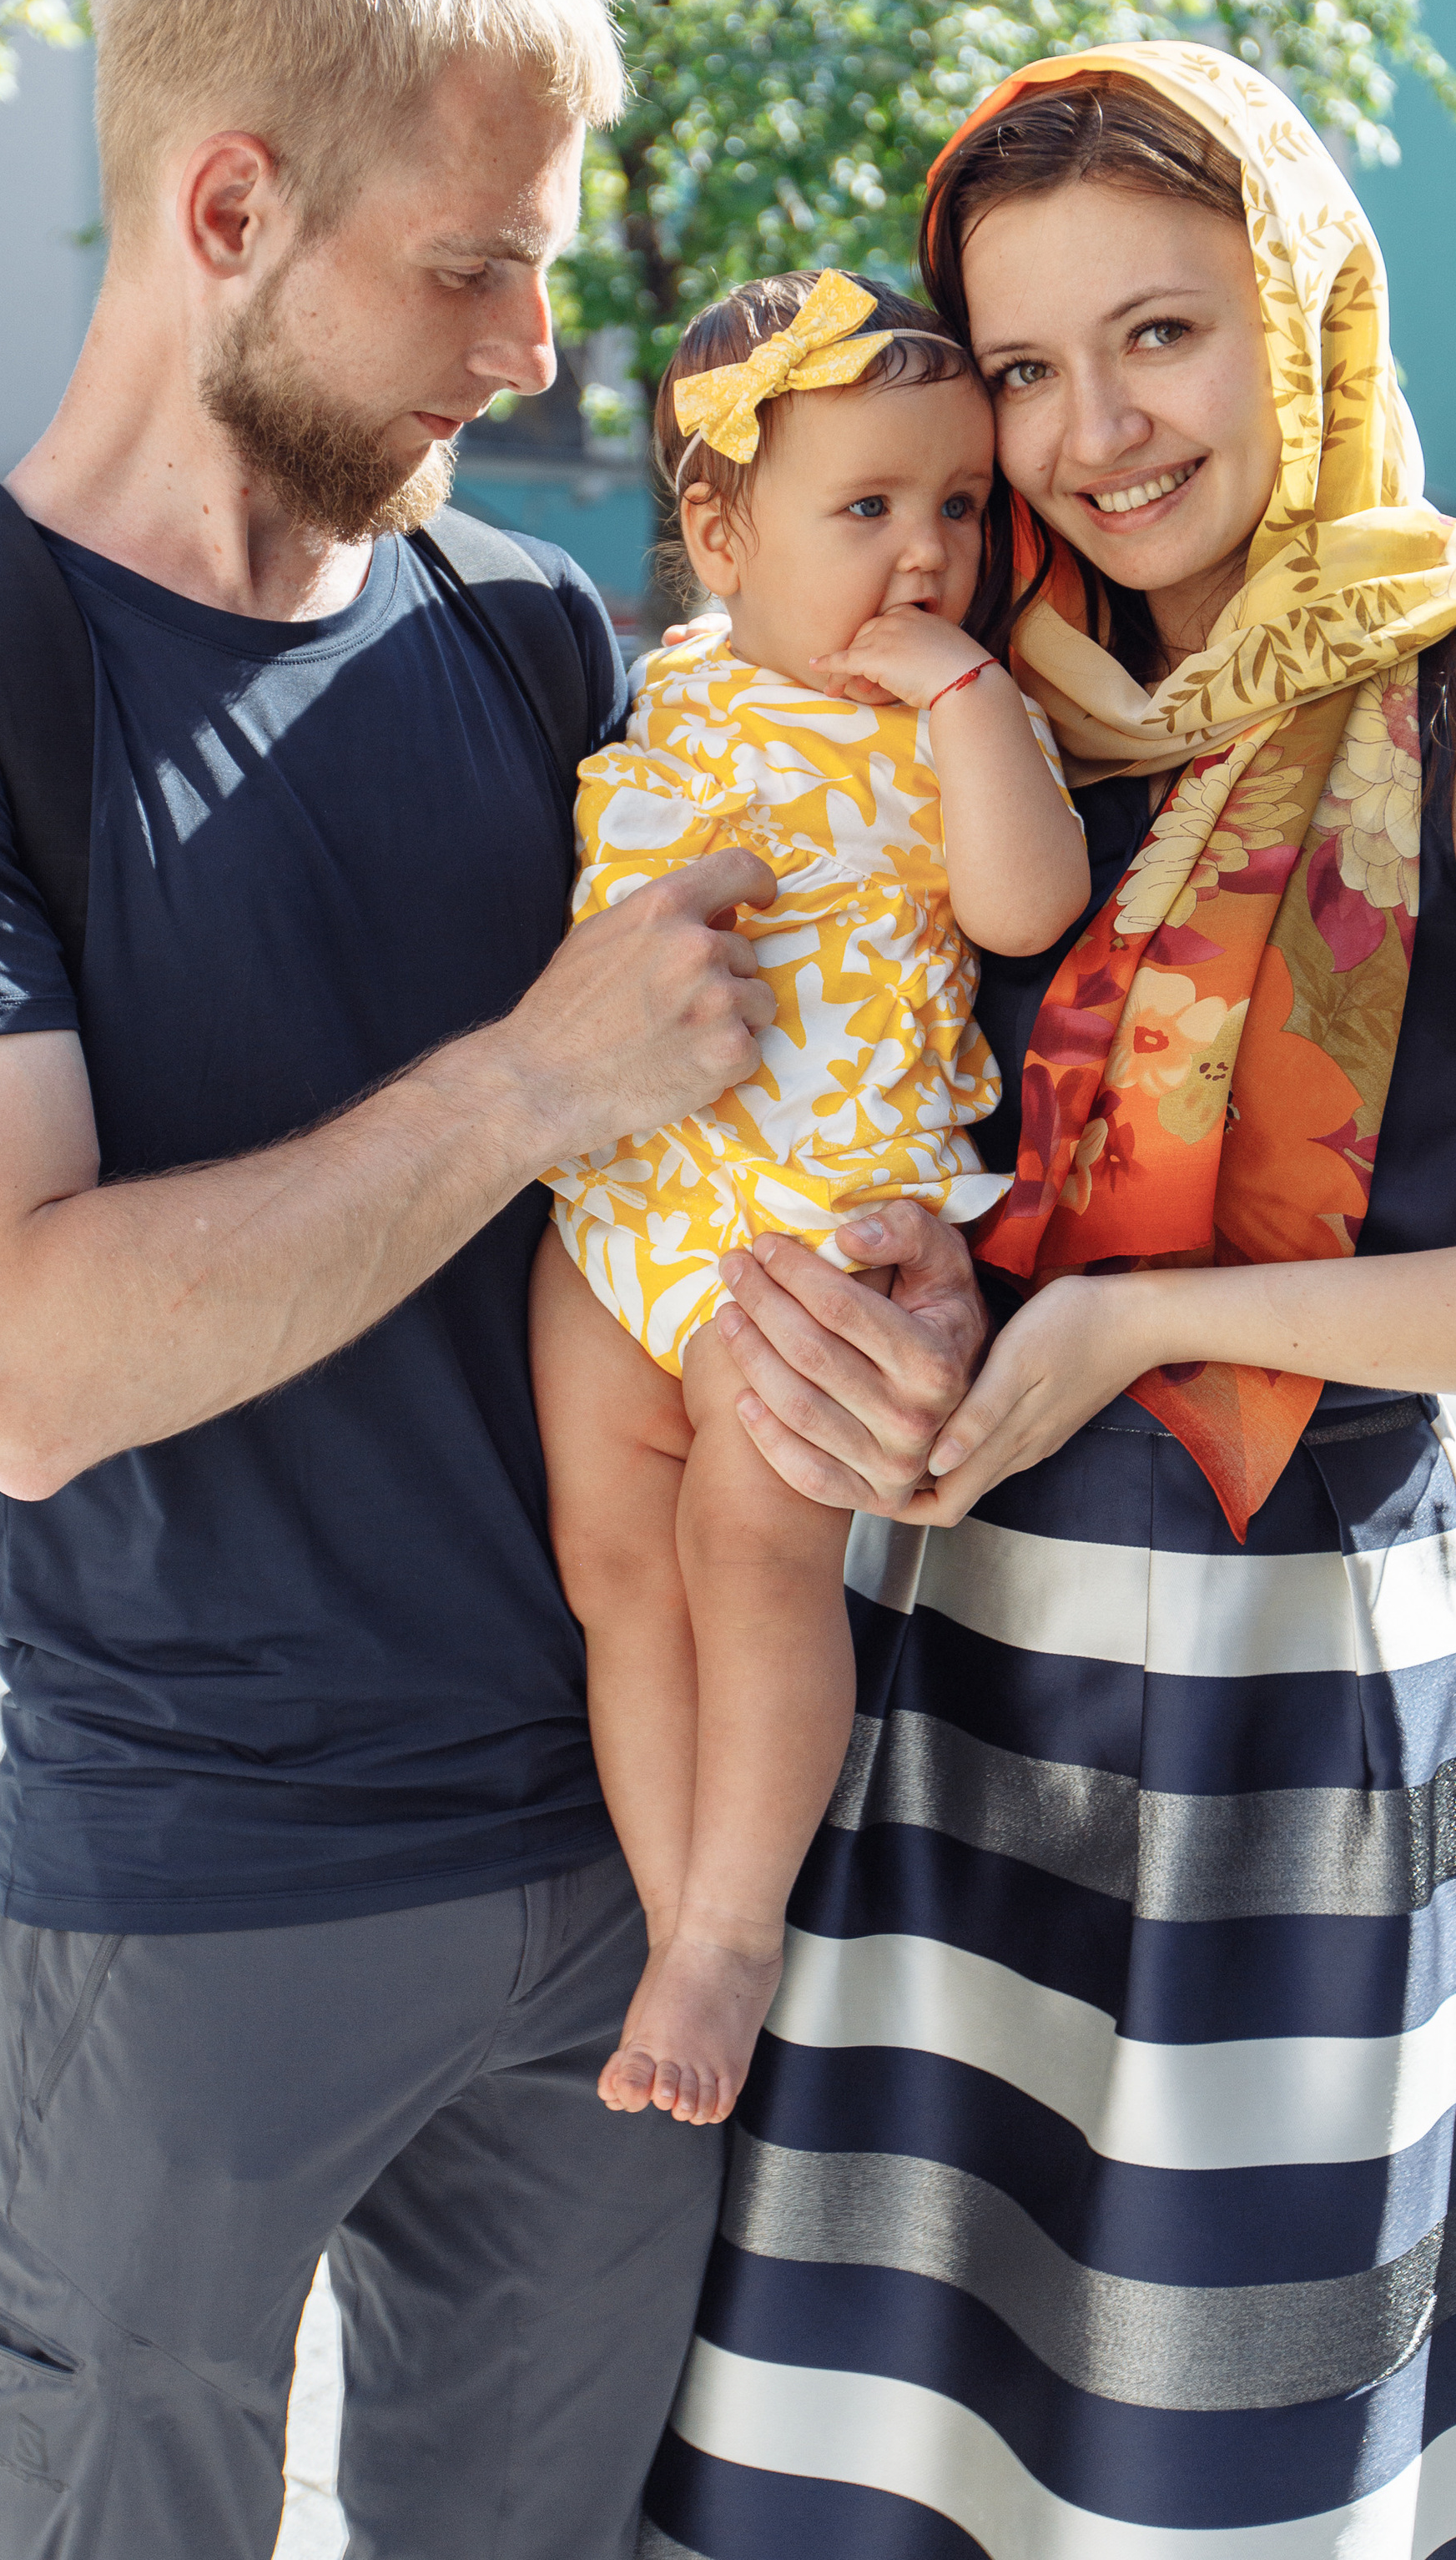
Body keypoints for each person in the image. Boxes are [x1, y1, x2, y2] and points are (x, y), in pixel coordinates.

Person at [0, 0, 966, 2560]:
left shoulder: (534, 640)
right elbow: (16, 1368)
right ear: (229, 210)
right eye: (472, 268)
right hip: (205, 1895)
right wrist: (532, 1083)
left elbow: (770, 1107)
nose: (534, 353)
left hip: (622, 1863)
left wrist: (896, 1283)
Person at [645, 46, 1456, 2557]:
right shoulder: (989, 682)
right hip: (936, 1687)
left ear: (1301, 311)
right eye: (1023, 367)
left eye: (1160, 334)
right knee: (890, 2449)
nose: (1090, 436)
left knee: (1213, 2460)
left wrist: (1148, 1320)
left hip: (1280, 1707)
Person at [537, 268, 1088, 2130]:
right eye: (867, 507)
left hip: (806, 1237)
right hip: (622, 1213)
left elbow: (1025, 906)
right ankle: (668, 1898)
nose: (927, 554)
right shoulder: (677, 676)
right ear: (720, 536)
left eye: (958, 506)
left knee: (748, 1551)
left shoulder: (956, 723)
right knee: (614, 1565)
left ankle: (729, 1934)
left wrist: (965, 698)